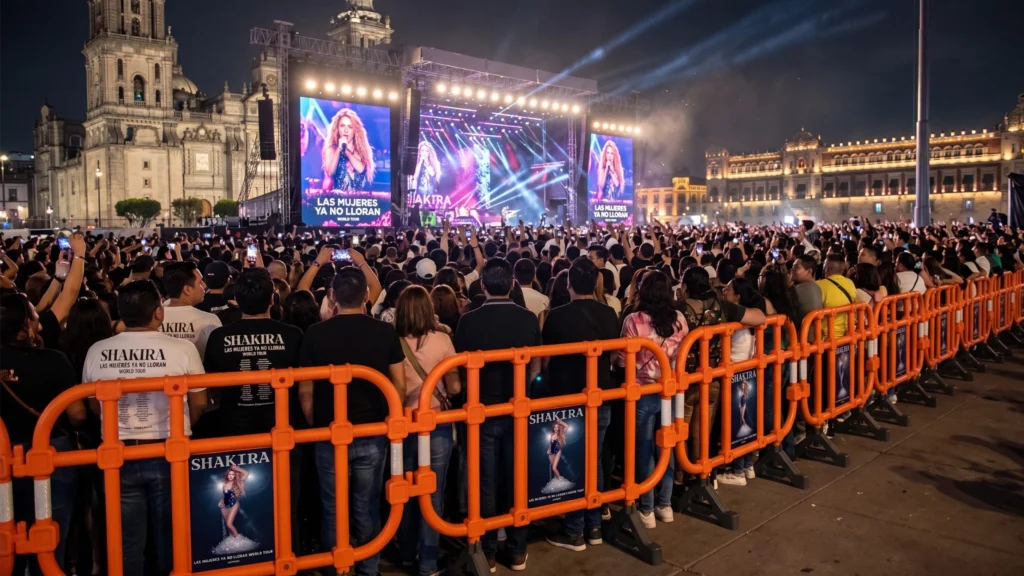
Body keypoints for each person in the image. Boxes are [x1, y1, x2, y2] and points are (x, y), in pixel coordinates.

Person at [82, 280, 208, 576]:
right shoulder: (183, 349)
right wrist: (186, 424)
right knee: (171, 536)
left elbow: (91, 405)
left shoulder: (98, 350)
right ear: (158, 313)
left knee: (126, 540)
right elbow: (200, 401)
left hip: (119, 452)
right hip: (168, 448)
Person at [297, 251, 404, 576]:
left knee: (333, 509)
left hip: (330, 433)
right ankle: (368, 568)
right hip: (372, 431)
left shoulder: (315, 334)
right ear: (367, 297)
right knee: (366, 505)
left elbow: (305, 392)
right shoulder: (384, 332)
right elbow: (397, 385)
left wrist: (317, 423)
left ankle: (335, 569)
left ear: (332, 296)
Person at [453, 259, 541, 572]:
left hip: (482, 411)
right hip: (518, 408)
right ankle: (517, 549)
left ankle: (487, 552)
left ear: (484, 286)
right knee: (518, 477)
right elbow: (536, 367)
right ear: (513, 284)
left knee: (485, 482)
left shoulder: (469, 322)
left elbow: (460, 369)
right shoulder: (528, 318)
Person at [1, 292, 88, 576]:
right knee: (50, 535)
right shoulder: (53, 360)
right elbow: (77, 414)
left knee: (6, 537)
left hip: (3, 457)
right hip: (50, 455)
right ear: (27, 324)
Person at [543, 257, 618, 552]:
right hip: (600, 396)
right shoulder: (610, 314)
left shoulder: (556, 316)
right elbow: (613, 358)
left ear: (568, 283)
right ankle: (594, 525)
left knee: (571, 461)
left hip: (565, 402)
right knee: (595, 461)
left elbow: (545, 360)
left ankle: (574, 530)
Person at [393, 285, 461, 576]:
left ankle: (407, 553)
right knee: (434, 492)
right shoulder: (443, 340)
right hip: (437, 423)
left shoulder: (392, 341)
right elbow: (456, 386)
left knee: (405, 491)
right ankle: (429, 561)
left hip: (404, 424)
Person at [619, 270, 688, 527]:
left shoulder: (634, 320)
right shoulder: (679, 319)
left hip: (642, 392)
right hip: (670, 392)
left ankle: (646, 509)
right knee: (666, 446)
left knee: (644, 450)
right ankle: (665, 504)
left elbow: (623, 360)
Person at [161, 261, 222, 360]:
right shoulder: (210, 320)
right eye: (200, 282)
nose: (204, 286)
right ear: (187, 290)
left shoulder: (151, 319)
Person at [320, 108, 375, 192]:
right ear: (337, 128)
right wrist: (339, 149)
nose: (346, 130)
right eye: (342, 126)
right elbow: (331, 173)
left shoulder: (362, 151)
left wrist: (345, 150)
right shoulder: (331, 150)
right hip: (337, 201)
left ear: (355, 130)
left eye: (350, 127)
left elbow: (360, 168)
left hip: (358, 201)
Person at [816, 254, 857, 339]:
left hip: (827, 337)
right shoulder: (850, 283)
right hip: (848, 334)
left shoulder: (818, 285)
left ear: (825, 268)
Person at [218, 465, 249, 539]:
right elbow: (224, 495)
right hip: (224, 506)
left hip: (234, 504)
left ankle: (240, 542)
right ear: (227, 475)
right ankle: (233, 540)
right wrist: (220, 501)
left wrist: (237, 469)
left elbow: (246, 473)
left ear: (235, 476)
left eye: (233, 474)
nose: (231, 476)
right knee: (227, 526)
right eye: (229, 474)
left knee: (229, 524)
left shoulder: (237, 482)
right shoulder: (224, 484)